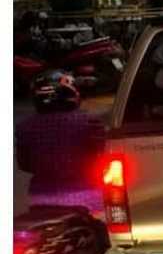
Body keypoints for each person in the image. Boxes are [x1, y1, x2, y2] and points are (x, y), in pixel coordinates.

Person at [15, 70, 105, 217]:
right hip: (86, 195)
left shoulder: (24, 126)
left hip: (41, 196)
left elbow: (25, 164)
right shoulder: (90, 122)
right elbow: (99, 156)